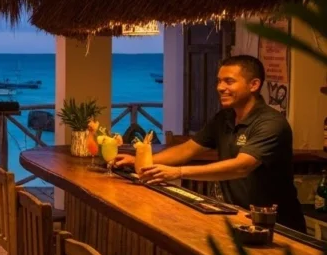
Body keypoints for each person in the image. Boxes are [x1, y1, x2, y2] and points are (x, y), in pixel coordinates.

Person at [113, 55, 305, 230]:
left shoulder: (271, 123)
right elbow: (187, 150)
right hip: (239, 218)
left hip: (277, 227)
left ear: (254, 85)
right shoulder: (225, 117)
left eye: (229, 81)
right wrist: (142, 162)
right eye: (219, 81)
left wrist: (178, 172)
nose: (220, 87)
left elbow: (242, 167)